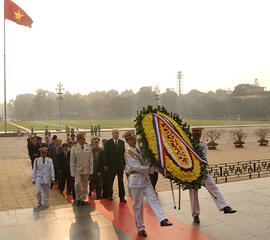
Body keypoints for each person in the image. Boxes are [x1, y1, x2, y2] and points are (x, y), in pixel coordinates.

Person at [123, 130, 172, 237]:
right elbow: (137, 167)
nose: (134, 140)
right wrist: (151, 170)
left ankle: (162, 219)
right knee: (138, 206)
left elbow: (148, 162)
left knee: (153, 198)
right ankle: (140, 227)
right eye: (131, 139)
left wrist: (160, 169)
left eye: (134, 138)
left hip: (145, 180)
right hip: (136, 181)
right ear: (127, 141)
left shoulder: (140, 150)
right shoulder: (128, 153)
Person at [189, 127, 236, 224]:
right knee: (193, 193)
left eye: (198, 135)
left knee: (212, 187)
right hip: (191, 172)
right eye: (195, 135)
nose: (197, 136)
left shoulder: (202, 146)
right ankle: (195, 215)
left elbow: (202, 158)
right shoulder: (188, 145)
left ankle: (224, 206)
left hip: (202, 171)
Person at [70, 133, 93, 206]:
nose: (83, 140)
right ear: (78, 140)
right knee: (77, 185)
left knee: (85, 186)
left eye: (84, 139)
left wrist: (91, 171)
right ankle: (78, 198)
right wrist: (72, 173)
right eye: (82, 139)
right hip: (78, 170)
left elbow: (91, 160)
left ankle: (83, 199)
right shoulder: (74, 148)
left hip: (86, 170)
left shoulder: (88, 147)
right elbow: (72, 161)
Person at [104, 129, 126, 202]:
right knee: (110, 182)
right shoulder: (108, 143)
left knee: (121, 182)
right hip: (111, 166)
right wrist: (106, 165)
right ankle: (110, 195)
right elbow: (106, 155)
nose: (117, 134)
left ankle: (122, 197)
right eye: (115, 133)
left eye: (118, 133)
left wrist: (124, 163)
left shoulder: (122, 142)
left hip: (120, 166)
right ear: (112, 134)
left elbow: (123, 154)